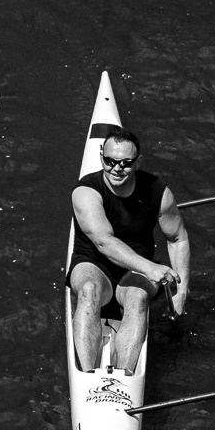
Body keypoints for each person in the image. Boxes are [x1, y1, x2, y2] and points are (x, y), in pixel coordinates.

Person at [68, 125, 189, 373]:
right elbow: (104, 242)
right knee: (89, 290)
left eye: (125, 163)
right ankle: (86, 376)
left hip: (132, 274)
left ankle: (125, 377)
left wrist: (182, 292)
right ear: (102, 157)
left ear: (138, 162)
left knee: (138, 297)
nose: (116, 169)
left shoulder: (158, 192)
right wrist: (150, 268)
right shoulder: (85, 192)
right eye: (110, 161)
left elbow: (177, 238)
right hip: (93, 265)